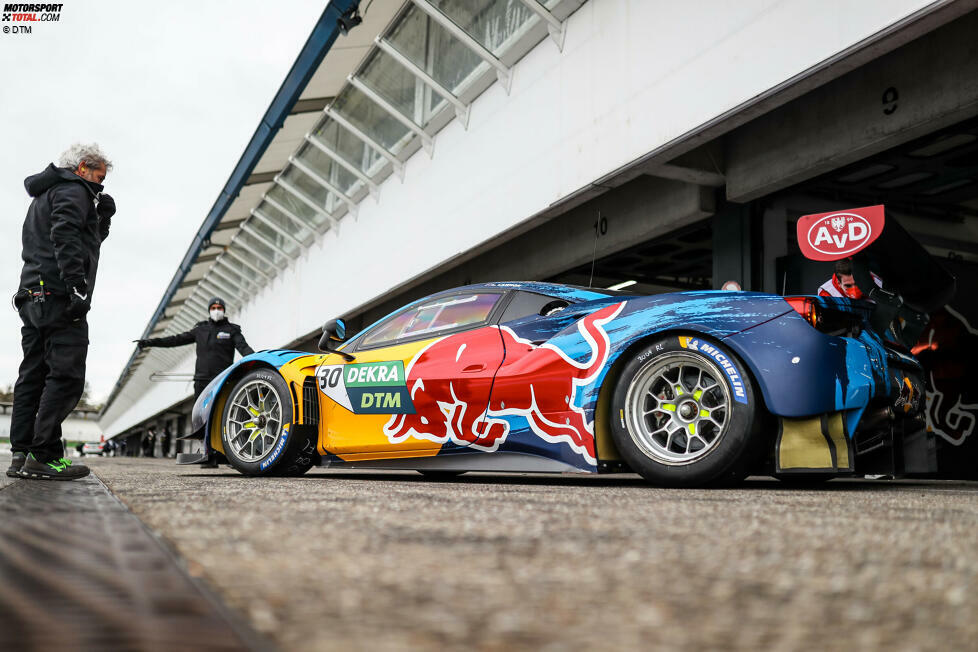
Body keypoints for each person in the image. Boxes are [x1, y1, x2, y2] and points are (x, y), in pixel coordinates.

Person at [7, 144, 115, 481]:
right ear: (83, 167)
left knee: (33, 376)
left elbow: (81, 239)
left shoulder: (43, 196)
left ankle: (20, 454)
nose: (100, 187)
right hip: (58, 295)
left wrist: (102, 220)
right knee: (67, 375)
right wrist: (76, 287)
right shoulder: (73, 189)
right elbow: (65, 235)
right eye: (99, 179)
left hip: (32, 294)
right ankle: (44, 455)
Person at [135, 297, 254, 398]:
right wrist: (150, 342)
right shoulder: (200, 330)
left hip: (223, 380)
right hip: (201, 382)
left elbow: (244, 348)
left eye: (219, 308)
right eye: (213, 308)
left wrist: (256, 362)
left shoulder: (232, 330)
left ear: (223, 310)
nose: (216, 311)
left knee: (221, 412)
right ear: (209, 310)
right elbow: (175, 340)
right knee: (200, 417)